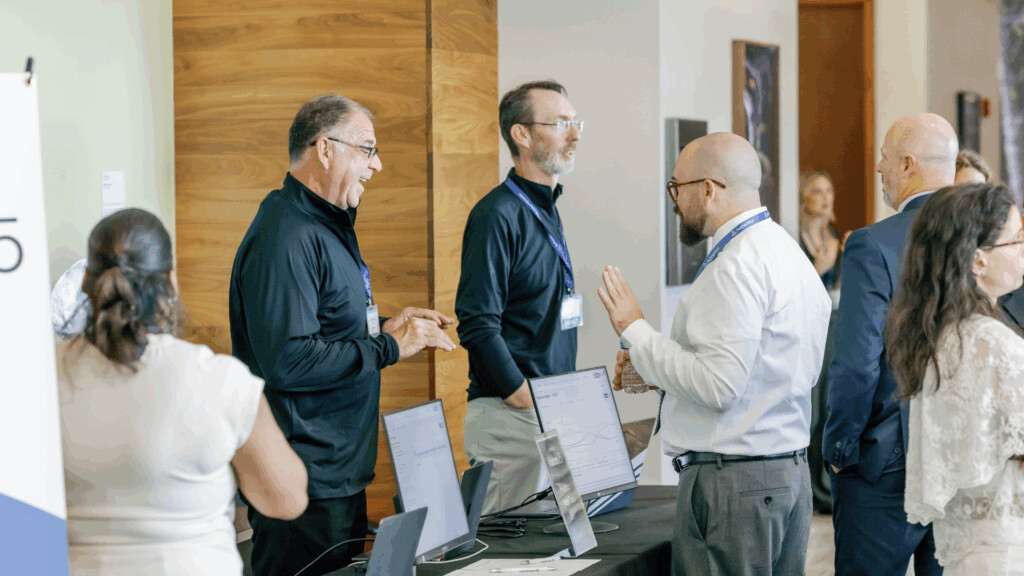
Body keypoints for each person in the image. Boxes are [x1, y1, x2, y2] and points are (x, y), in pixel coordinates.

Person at [229, 95, 456, 576]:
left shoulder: (326, 223)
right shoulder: (285, 236)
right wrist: (390, 347)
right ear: (325, 149)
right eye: (367, 150)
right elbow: (289, 360)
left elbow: (327, 326)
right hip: (303, 487)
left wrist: (387, 326)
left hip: (338, 478)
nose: (377, 165)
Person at [598, 132, 831, 574]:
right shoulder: (786, 251)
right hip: (785, 475)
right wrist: (655, 368)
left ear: (707, 189)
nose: (674, 201)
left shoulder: (736, 265)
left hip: (735, 485)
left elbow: (719, 386)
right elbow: (768, 368)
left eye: (676, 187)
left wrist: (636, 329)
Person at [60, 208, 308, 575]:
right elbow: (285, 500)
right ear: (171, 283)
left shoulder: (36, 377)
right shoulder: (221, 380)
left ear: (85, 282)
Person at [823, 113, 958, 576]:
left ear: (907, 164)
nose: (878, 168)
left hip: (887, 462)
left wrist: (839, 449)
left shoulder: (871, 245)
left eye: (882, 157)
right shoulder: (989, 242)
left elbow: (857, 363)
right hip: (964, 460)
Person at [456, 79, 583, 515]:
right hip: (512, 417)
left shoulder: (547, 205)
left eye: (575, 122)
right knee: (510, 555)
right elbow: (476, 321)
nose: (575, 134)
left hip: (548, 412)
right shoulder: (496, 215)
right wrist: (521, 394)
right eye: (561, 122)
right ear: (522, 134)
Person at [886, 183, 1024, 575]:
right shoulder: (993, 344)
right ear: (978, 260)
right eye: (1016, 240)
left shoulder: (944, 335)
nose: (1023, 250)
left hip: (970, 548)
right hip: (1007, 550)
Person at [798, 170, 841, 292]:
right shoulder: (795, 238)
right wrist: (818, 269)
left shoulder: (833, 235)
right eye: (817, 192)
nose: (826, 197)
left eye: (829, 190)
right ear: (804, 198)